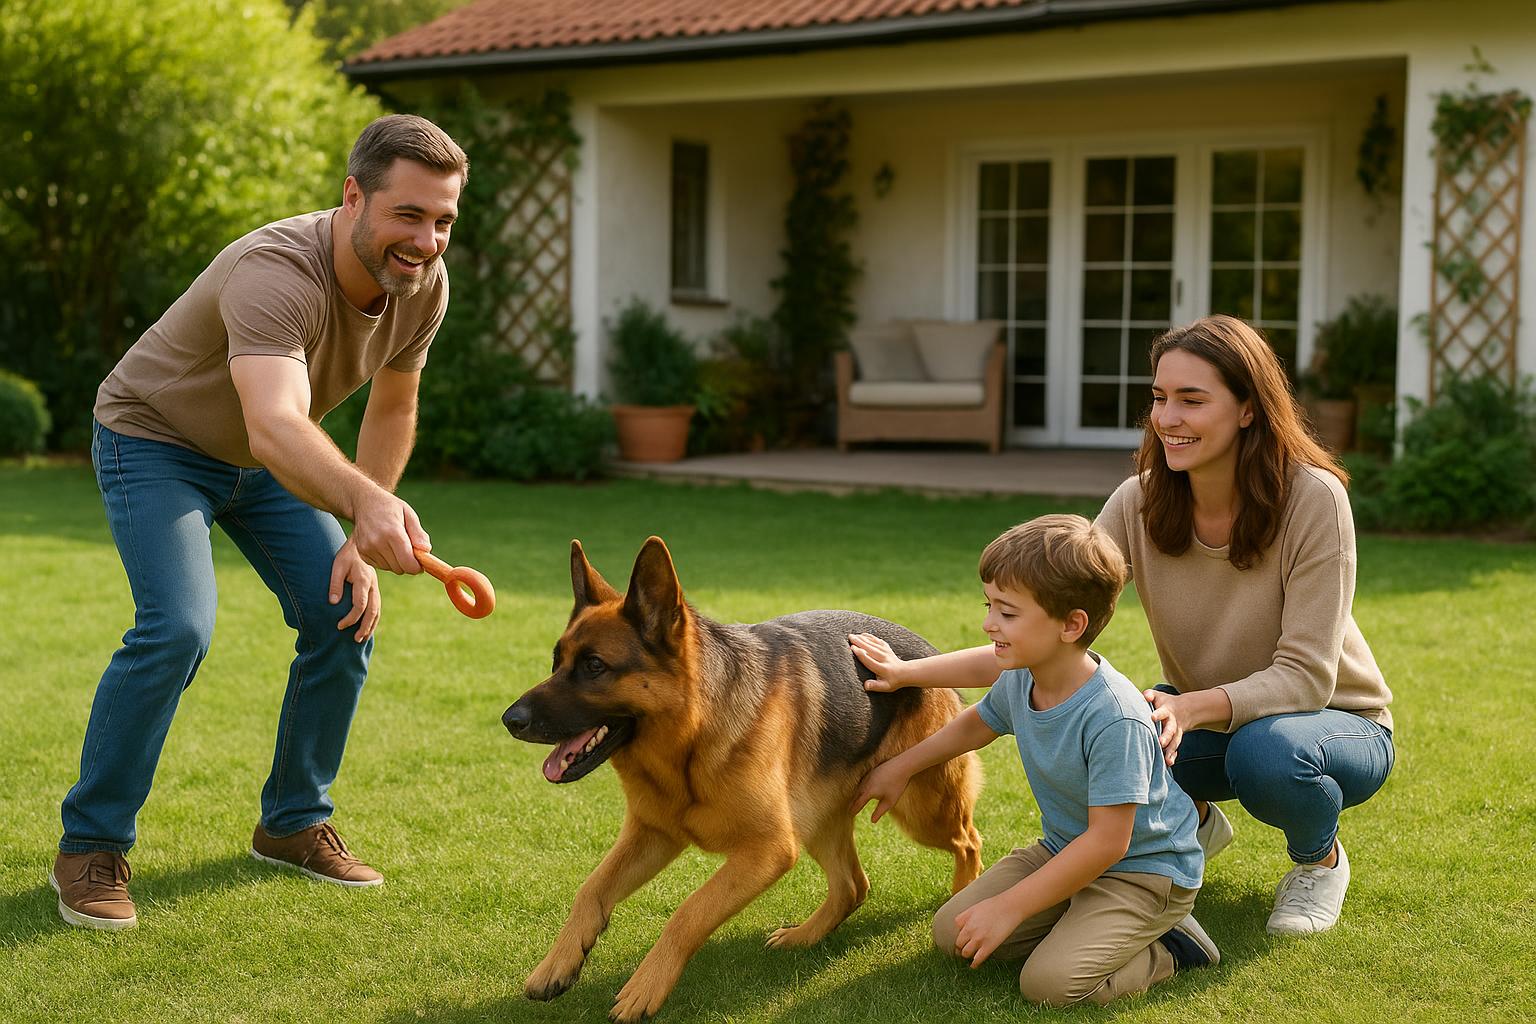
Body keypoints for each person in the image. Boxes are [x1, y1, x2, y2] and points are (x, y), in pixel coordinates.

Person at [51, 114, 469, 931]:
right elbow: (278, 423)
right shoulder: (276, 270)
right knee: (176, 628)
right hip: (156, 438)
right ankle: (90, 847)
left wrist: (359, 540)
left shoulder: (420, 286)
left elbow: (394, 403)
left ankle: (292, 823)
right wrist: (364, 503)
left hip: (266, 461)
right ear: (354, 197)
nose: (426, 240)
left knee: (344, 612)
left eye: (444, 220)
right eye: (408, 215)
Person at [1095, 314, 1394, 936]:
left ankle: (1320, 861)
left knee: (1268, 751)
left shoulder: (1313, 499)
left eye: (1191, 400)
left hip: (1335, 726)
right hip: (1210, 717)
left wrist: (1190, 707)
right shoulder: (1139, 500)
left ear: (1249, 410)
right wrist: (920, 672)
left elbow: (1307, 679)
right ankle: (1193, 822)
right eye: (1159, 397)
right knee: (1109, 722)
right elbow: (1057, 610)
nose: (1167, 418)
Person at [850, 515, 1218, 1008]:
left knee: (1048, 985)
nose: (989, 624)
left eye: (1007, 613)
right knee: (951, 934)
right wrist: (901, 763)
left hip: (1141, 871)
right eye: (990, 606)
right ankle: (1076, 917)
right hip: (1065, 849)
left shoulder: (1114, 718)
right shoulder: (1026, 672)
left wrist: (1009, 906)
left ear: (1071, 625)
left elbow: (1109, 843)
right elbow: (979, 720)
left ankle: (1172, 946)